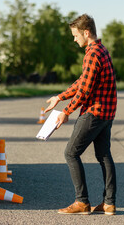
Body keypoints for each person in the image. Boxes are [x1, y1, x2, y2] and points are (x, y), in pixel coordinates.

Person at [44, 14, 117, 215]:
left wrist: (66, 112)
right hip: (107, 113)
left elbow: (84, 91)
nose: (74, 39)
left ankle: (82, 202)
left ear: (86, 33)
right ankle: (109, 203)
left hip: (94, 113)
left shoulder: (92, 53)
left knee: (70, 153)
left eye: (76, 35)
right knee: (104, 155)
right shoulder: (102, 50)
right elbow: (82, 82)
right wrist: (60, 97)